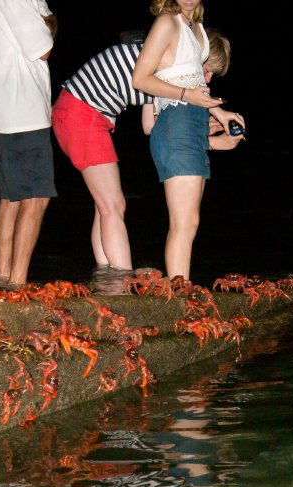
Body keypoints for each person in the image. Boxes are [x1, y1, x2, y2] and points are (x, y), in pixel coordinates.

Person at [51, 27, 240, 292]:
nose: (207, 79)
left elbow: (150, 126)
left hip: (82, 114)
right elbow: (164, 126)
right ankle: (121, 288)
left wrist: (203, 129)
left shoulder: (160, 65)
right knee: (113, 206)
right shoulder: (164, 62)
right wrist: (215, 117)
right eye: (206, 69)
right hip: (81, 113)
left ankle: (106, 278)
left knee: (104, 205)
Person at [132, 0, 245, 282]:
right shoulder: (168, 21)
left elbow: (193, 85)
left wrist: (221, 113)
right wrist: (187, 96)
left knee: (189, 222)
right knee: (184, 223)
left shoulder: (195, 28)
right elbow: (140, 79)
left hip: (190, 122)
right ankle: (181, 295)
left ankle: (182, 289)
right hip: (177, 121)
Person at [0, 0, 58, 290]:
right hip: (22, 109)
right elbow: (43, 48)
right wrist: (48, 24)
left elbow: (46, 21)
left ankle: (3, 279)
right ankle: (17, 283)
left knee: (11, 198)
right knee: (36, 197)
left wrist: (46, 22)